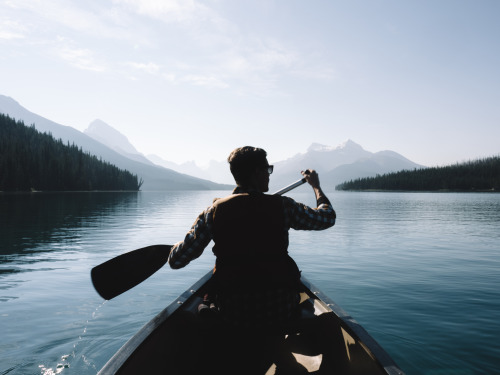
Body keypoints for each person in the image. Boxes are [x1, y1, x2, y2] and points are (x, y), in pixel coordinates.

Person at [168, 146, 336, 329]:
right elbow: (327, 217)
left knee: (203, 303)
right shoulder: (284, 207)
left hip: (232, 313)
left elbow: (176, 261)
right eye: (267, 169)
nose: (269, 174)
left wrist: (176, 246)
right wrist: (316, 187)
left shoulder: (213, 212)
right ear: (257, 172)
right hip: (280, 311)